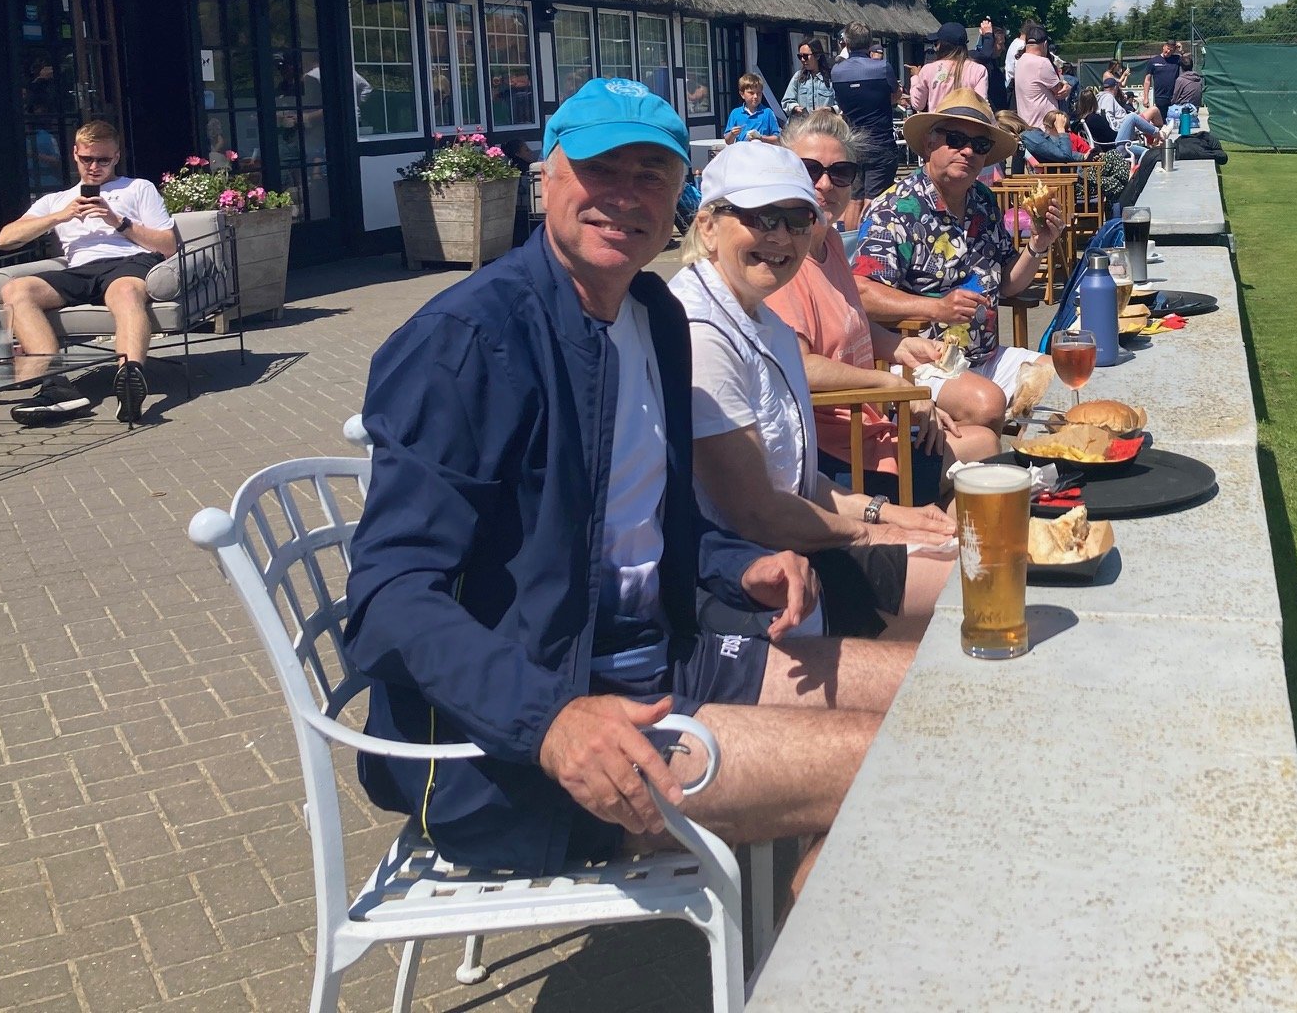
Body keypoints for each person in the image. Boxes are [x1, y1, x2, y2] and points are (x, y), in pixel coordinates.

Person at [344, 77, 906, 880]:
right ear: (548, 177)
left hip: (667, 657)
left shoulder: (653, 315)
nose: (624, 196)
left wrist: (732, 562)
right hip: (516, 750)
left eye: (652, 175)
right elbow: (387, 599)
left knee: (942, 698)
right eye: (601, 169)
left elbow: (649, 525)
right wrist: (550, 722)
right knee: (897, 769)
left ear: (680, 199)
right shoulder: (468, 341)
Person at [671, 141, 961, 642]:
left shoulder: (764, 322)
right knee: (973, 583)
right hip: (743, 581)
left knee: (967, 555)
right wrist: (879, 534)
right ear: (709, 226)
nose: (780, 235)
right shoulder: (700, 330)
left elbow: (798, 480)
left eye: (796, 219)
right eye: (760, 217)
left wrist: (890, 512)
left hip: (797, 544)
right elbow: (758, 512)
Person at [772, 111, 1008, 484]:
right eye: (809, 169)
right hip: (830, 454)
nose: (825, 184)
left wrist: (900, 347)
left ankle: (932, 532)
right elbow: (799, 366)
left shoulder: (829, 243)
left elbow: (854, 321)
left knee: (983, 446)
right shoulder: (782, 259)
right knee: (983, 448)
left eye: (841, 173)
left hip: (870, 422)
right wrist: (895, 388)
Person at [853, 89, 1067, 414]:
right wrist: (937, 308)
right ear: (929, 143)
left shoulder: (983, 199)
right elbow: (861, 294)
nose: (968, 151)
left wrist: (1038, 244)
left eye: (979, 145)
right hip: (922, 362)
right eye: (955, 139)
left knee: (1065, 379)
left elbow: (1006, 283)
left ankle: (1026, 462)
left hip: (985, 356)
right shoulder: (896, 210)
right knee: (987, 403)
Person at [0, 120, 177, 427]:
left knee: (125, 292)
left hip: (127, 261)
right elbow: (5, 239)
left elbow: (169, 245)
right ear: (75, 154)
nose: (95, 167)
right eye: (87, 159)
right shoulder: (56, 200)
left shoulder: (137, 188)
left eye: (103, 160)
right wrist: (60, 215)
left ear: (117, 156)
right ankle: (57, 384)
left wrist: (117, 220)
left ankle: (130, 379)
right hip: (79, 270)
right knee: (16, 290)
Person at [831, 22, 903, 199]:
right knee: (875, 200)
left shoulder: (837, 71)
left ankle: (851, 229)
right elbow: (895, 96)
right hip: (880, 141)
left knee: (854, 200)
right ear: (870, 43)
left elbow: (841, 104)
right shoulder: (882, 67)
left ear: (846, 42)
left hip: (853, 142)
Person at [908, 21, 990, 113]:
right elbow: (981, 105)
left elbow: (917, 104)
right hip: (967, 125)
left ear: (941, 45)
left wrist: (915, 77)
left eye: (936, 43)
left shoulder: (928, 70)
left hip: (938, 124)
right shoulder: (978, 70)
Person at [1012, 25, 1067, 129]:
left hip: (1028, 126)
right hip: (1046, 129)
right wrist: (1067, 86)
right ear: (1045, 44)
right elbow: (1060, 91)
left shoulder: (1020, 61)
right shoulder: (1042, 63)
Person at [781, 38, 836, 118]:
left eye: (806, 56)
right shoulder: (798, 77)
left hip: (824, 126)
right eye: (800, 56)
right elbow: (786, 101)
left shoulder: (831, 77)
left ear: (817, 56)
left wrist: (829, 109)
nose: (803, 60)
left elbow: (841, 104)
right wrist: (795, 108)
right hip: (803, 126)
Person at [723, 72, 782, 145]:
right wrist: (732, 134)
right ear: (742, 94)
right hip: (743, 153)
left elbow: (777, 139)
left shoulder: (767, 113)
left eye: (759, 93)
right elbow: (728, 141)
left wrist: (761, 138)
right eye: (751, 93)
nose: (755, 96)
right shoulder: (735, 113)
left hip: (762, 153)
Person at [1144, 40, 1185, 126]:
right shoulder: (1153, 61)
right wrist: (1146, 98)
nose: (1169, 52)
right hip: (1160, 97)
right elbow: (1147, 80)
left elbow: (1187, 62)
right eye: (1168, 49)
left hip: (1174, 97)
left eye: (1172, 50)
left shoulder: (1177, 59)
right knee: (1161, 123)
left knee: (1175, 124)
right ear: (1164, 47)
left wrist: (1181, 51)